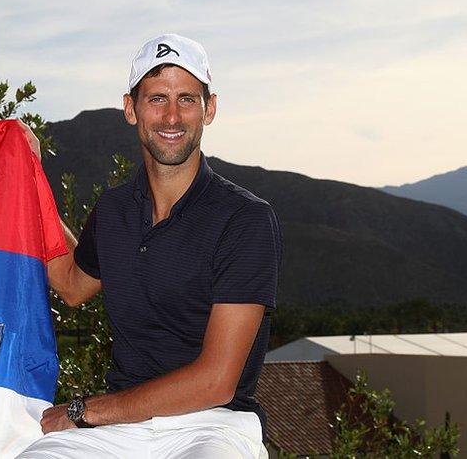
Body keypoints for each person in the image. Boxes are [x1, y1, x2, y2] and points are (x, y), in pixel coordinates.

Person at [17, 34, 281, 458]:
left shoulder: (245, 220)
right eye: (157, 98)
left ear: (209, 109)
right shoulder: (115, 209)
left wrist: (87, 411)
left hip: (214, 426)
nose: (172, 116)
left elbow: (216, 380)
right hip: (120, 430)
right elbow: (70, 283)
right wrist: (27, 174)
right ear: (130, 108)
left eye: (187, 99)